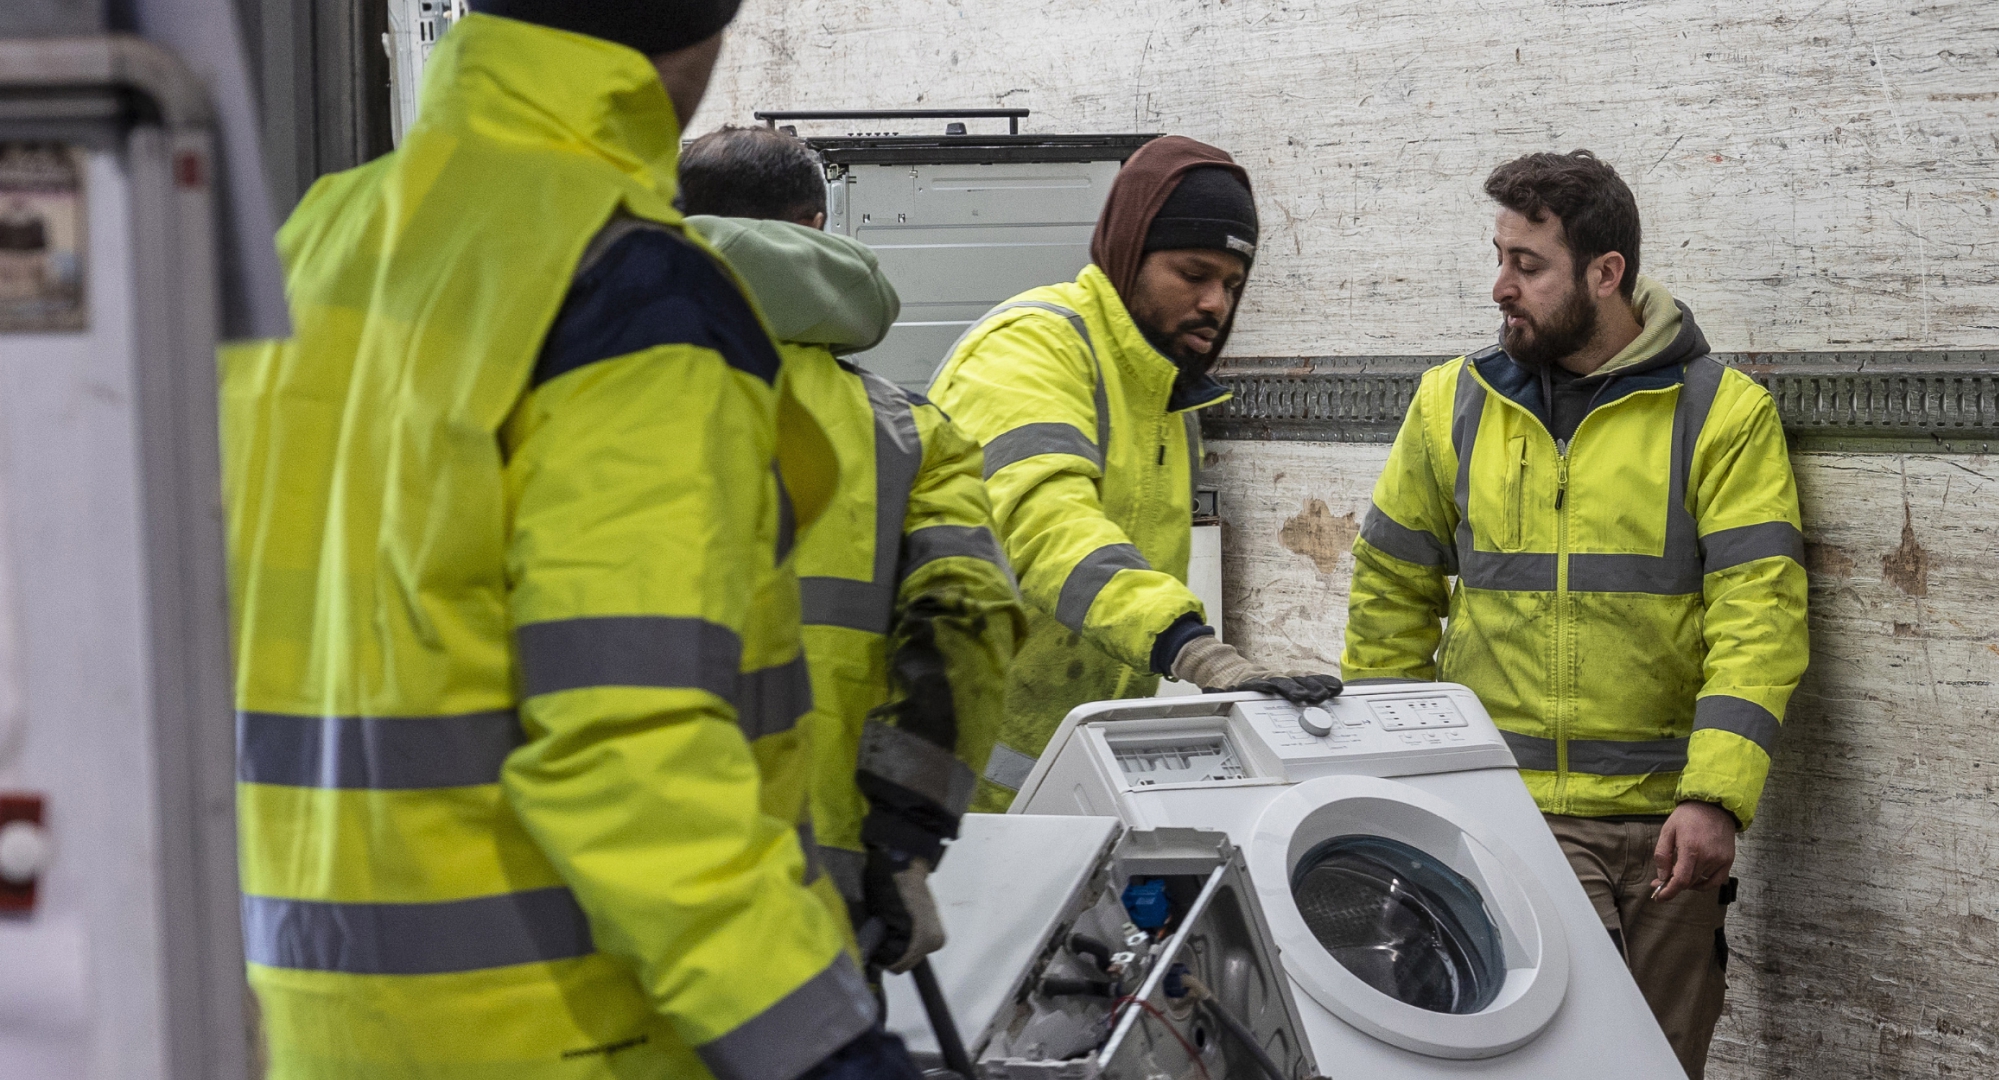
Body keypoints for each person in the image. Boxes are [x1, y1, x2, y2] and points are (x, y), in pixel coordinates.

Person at [220, 4, 917, 1077]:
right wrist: (824, 1047)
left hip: (304, 1030)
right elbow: (627, 742)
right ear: (694, 31)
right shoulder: (627, 289)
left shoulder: (317, 239)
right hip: (566, 1035)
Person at [1338, 150, 1808, 1078]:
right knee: (1567, 1063)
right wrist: (1395, 780)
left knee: (1664, 1065)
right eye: (1501, 256)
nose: (1500, 286)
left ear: (1606, 273)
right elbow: (1390, 594)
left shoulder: (1720, 413)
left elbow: (1760, 617)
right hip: (1512, 819)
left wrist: (1715, 796)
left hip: (1671, 827)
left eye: (1528, 265)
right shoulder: (1453, 404)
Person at [677, 125, 1023, 979]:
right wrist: (905, 841)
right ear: (817, 224)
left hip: (606, 874)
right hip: (817, 885)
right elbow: (967, 627)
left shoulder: (566, 391)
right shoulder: (908, 436)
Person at [929, 136, 1341, 810]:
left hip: (1070, 784)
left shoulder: (1167, 402)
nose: (1216, 302)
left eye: (1232, 284)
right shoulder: (1031, 348)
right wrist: (1193, 649)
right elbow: (1047, 526)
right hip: (954, 794)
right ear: (1128, 253)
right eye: (1193, 273)